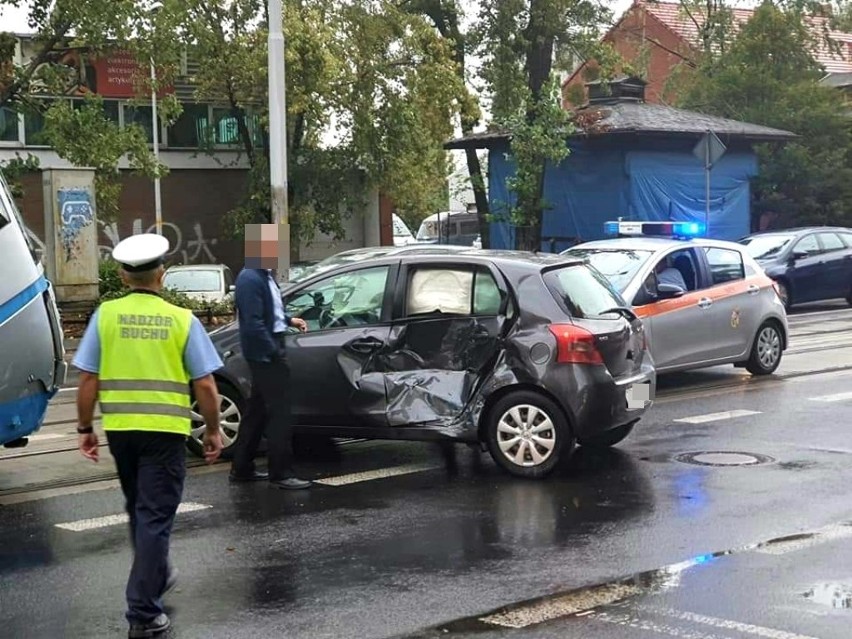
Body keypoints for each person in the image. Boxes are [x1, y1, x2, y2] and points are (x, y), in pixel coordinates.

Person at [74, 234, 224, 639]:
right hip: (165, 434)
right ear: (163, 274)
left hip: (122, 433)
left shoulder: (105, 315)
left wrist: (85, 428)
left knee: (140, 511)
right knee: (155, 517)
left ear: (123, 276)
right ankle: (143, 611)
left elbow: (88, 378)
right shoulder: (182, 320)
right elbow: (206, 385)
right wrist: (211, 430)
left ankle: (156, 571)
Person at [229, 223, 310, 490]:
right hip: (266, 352)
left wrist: (289, 320)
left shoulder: (264, 275)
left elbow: (269, 312)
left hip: (268, 347)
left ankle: (241, 468)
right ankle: (282, 472)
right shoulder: (250, 279)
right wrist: (273, 352)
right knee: (280, 414)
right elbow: (253, 324)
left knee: (257, 412)